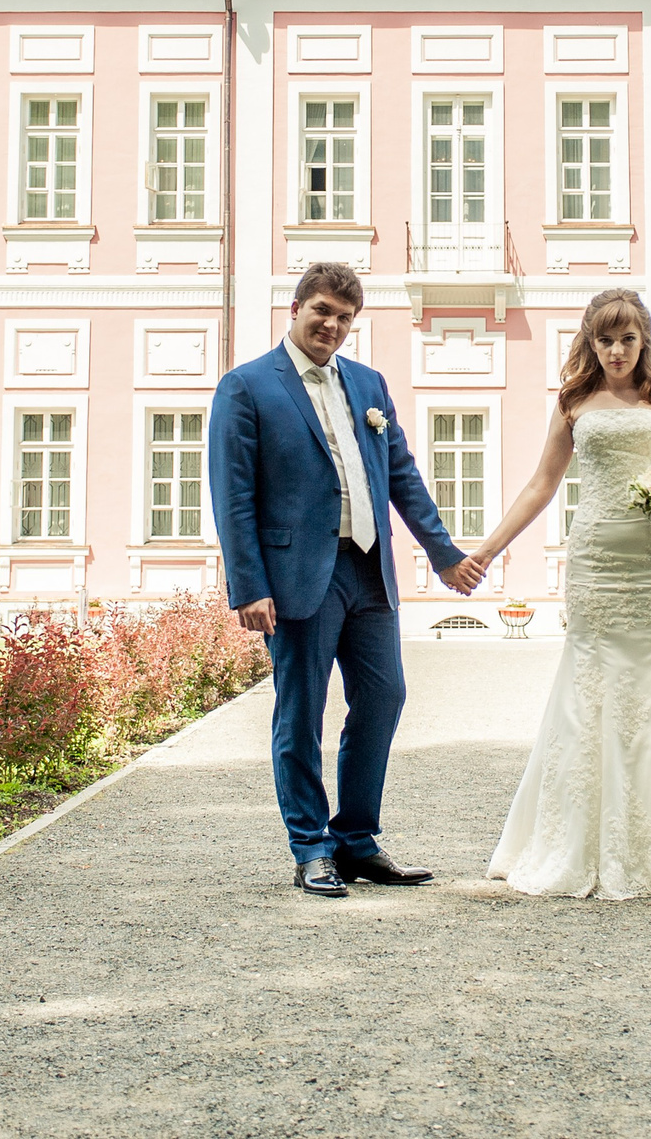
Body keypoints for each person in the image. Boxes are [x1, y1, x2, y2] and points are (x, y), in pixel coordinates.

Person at [209, 261, 484, 899]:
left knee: (384, 697)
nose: (331, 326)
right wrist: (248, 585)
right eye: (322, 311)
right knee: (301, 711)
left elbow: (402, 474)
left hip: (368, 568)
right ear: (296, 308)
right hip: (298, 575)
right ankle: (311, 847)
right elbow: (233, 495)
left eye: (344, 318)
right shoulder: (247, 387)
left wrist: (443, 553)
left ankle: (356, 839)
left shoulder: (368, 383)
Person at [465, 288, 651, 900]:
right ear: (590, 343)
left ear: (644, 340)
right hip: (596, 556)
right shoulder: (573, 402)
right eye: (605, 340)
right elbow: (542, 484)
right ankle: (574, 842)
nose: (616, 350)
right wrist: (487, 550)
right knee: (588, 687)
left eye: (627, 339)